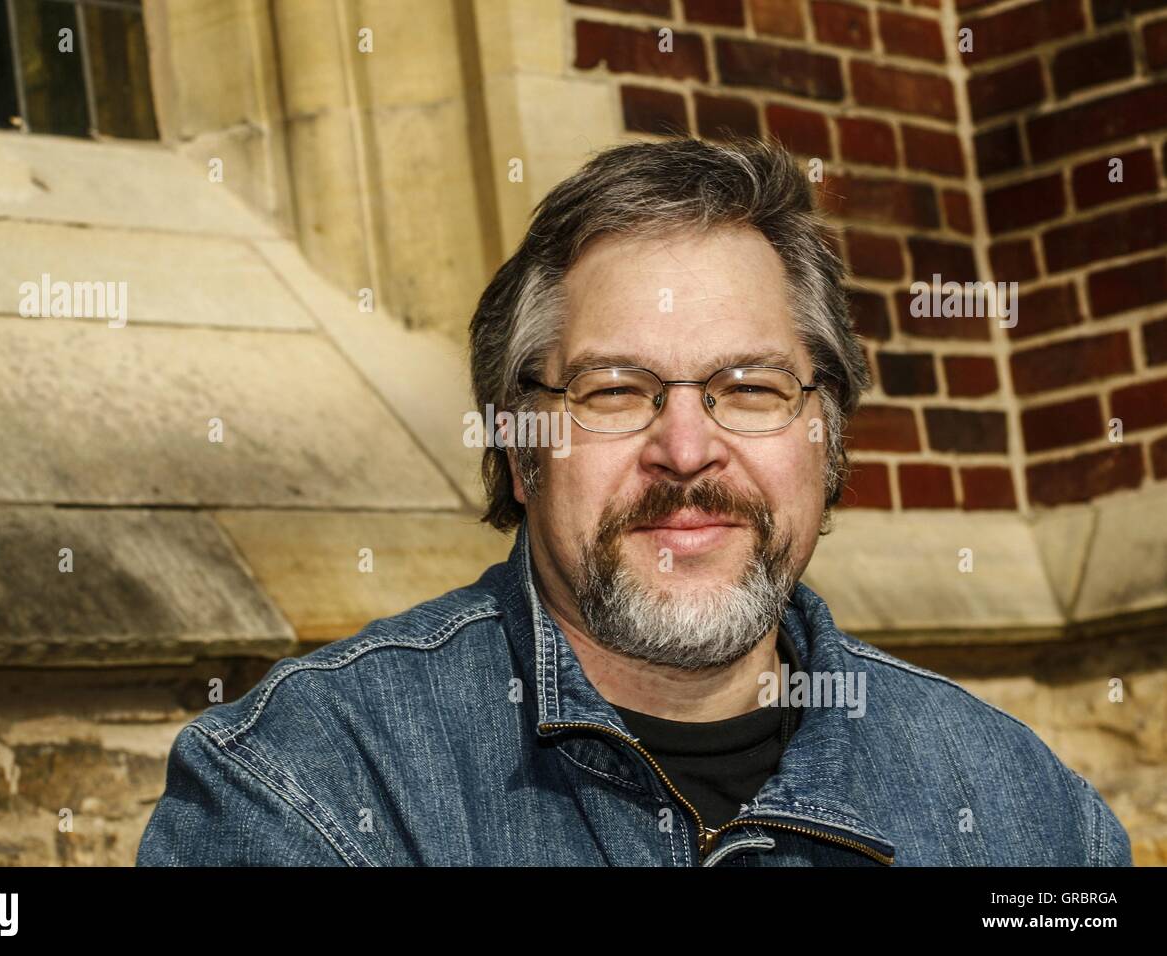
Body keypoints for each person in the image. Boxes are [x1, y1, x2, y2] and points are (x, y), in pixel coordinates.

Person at [137, 136, 1132, 866]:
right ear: (520, 450)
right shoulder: (307, 783)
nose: (686, 449)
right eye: (615, 390)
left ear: (824, 437)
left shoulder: (1023, 811)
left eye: (749, 386)